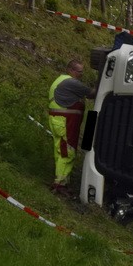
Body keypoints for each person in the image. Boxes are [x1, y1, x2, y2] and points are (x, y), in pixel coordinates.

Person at [48, 58, 96, 197]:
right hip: (65, 122)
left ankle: (62, 181)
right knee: (67, 152)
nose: (81, 75)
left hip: (57, 120)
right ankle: (60, 184)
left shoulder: (59, 80)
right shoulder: (71, 82)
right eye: (79, 72)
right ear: (70, 70)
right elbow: (91, 93)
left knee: (60, 151)